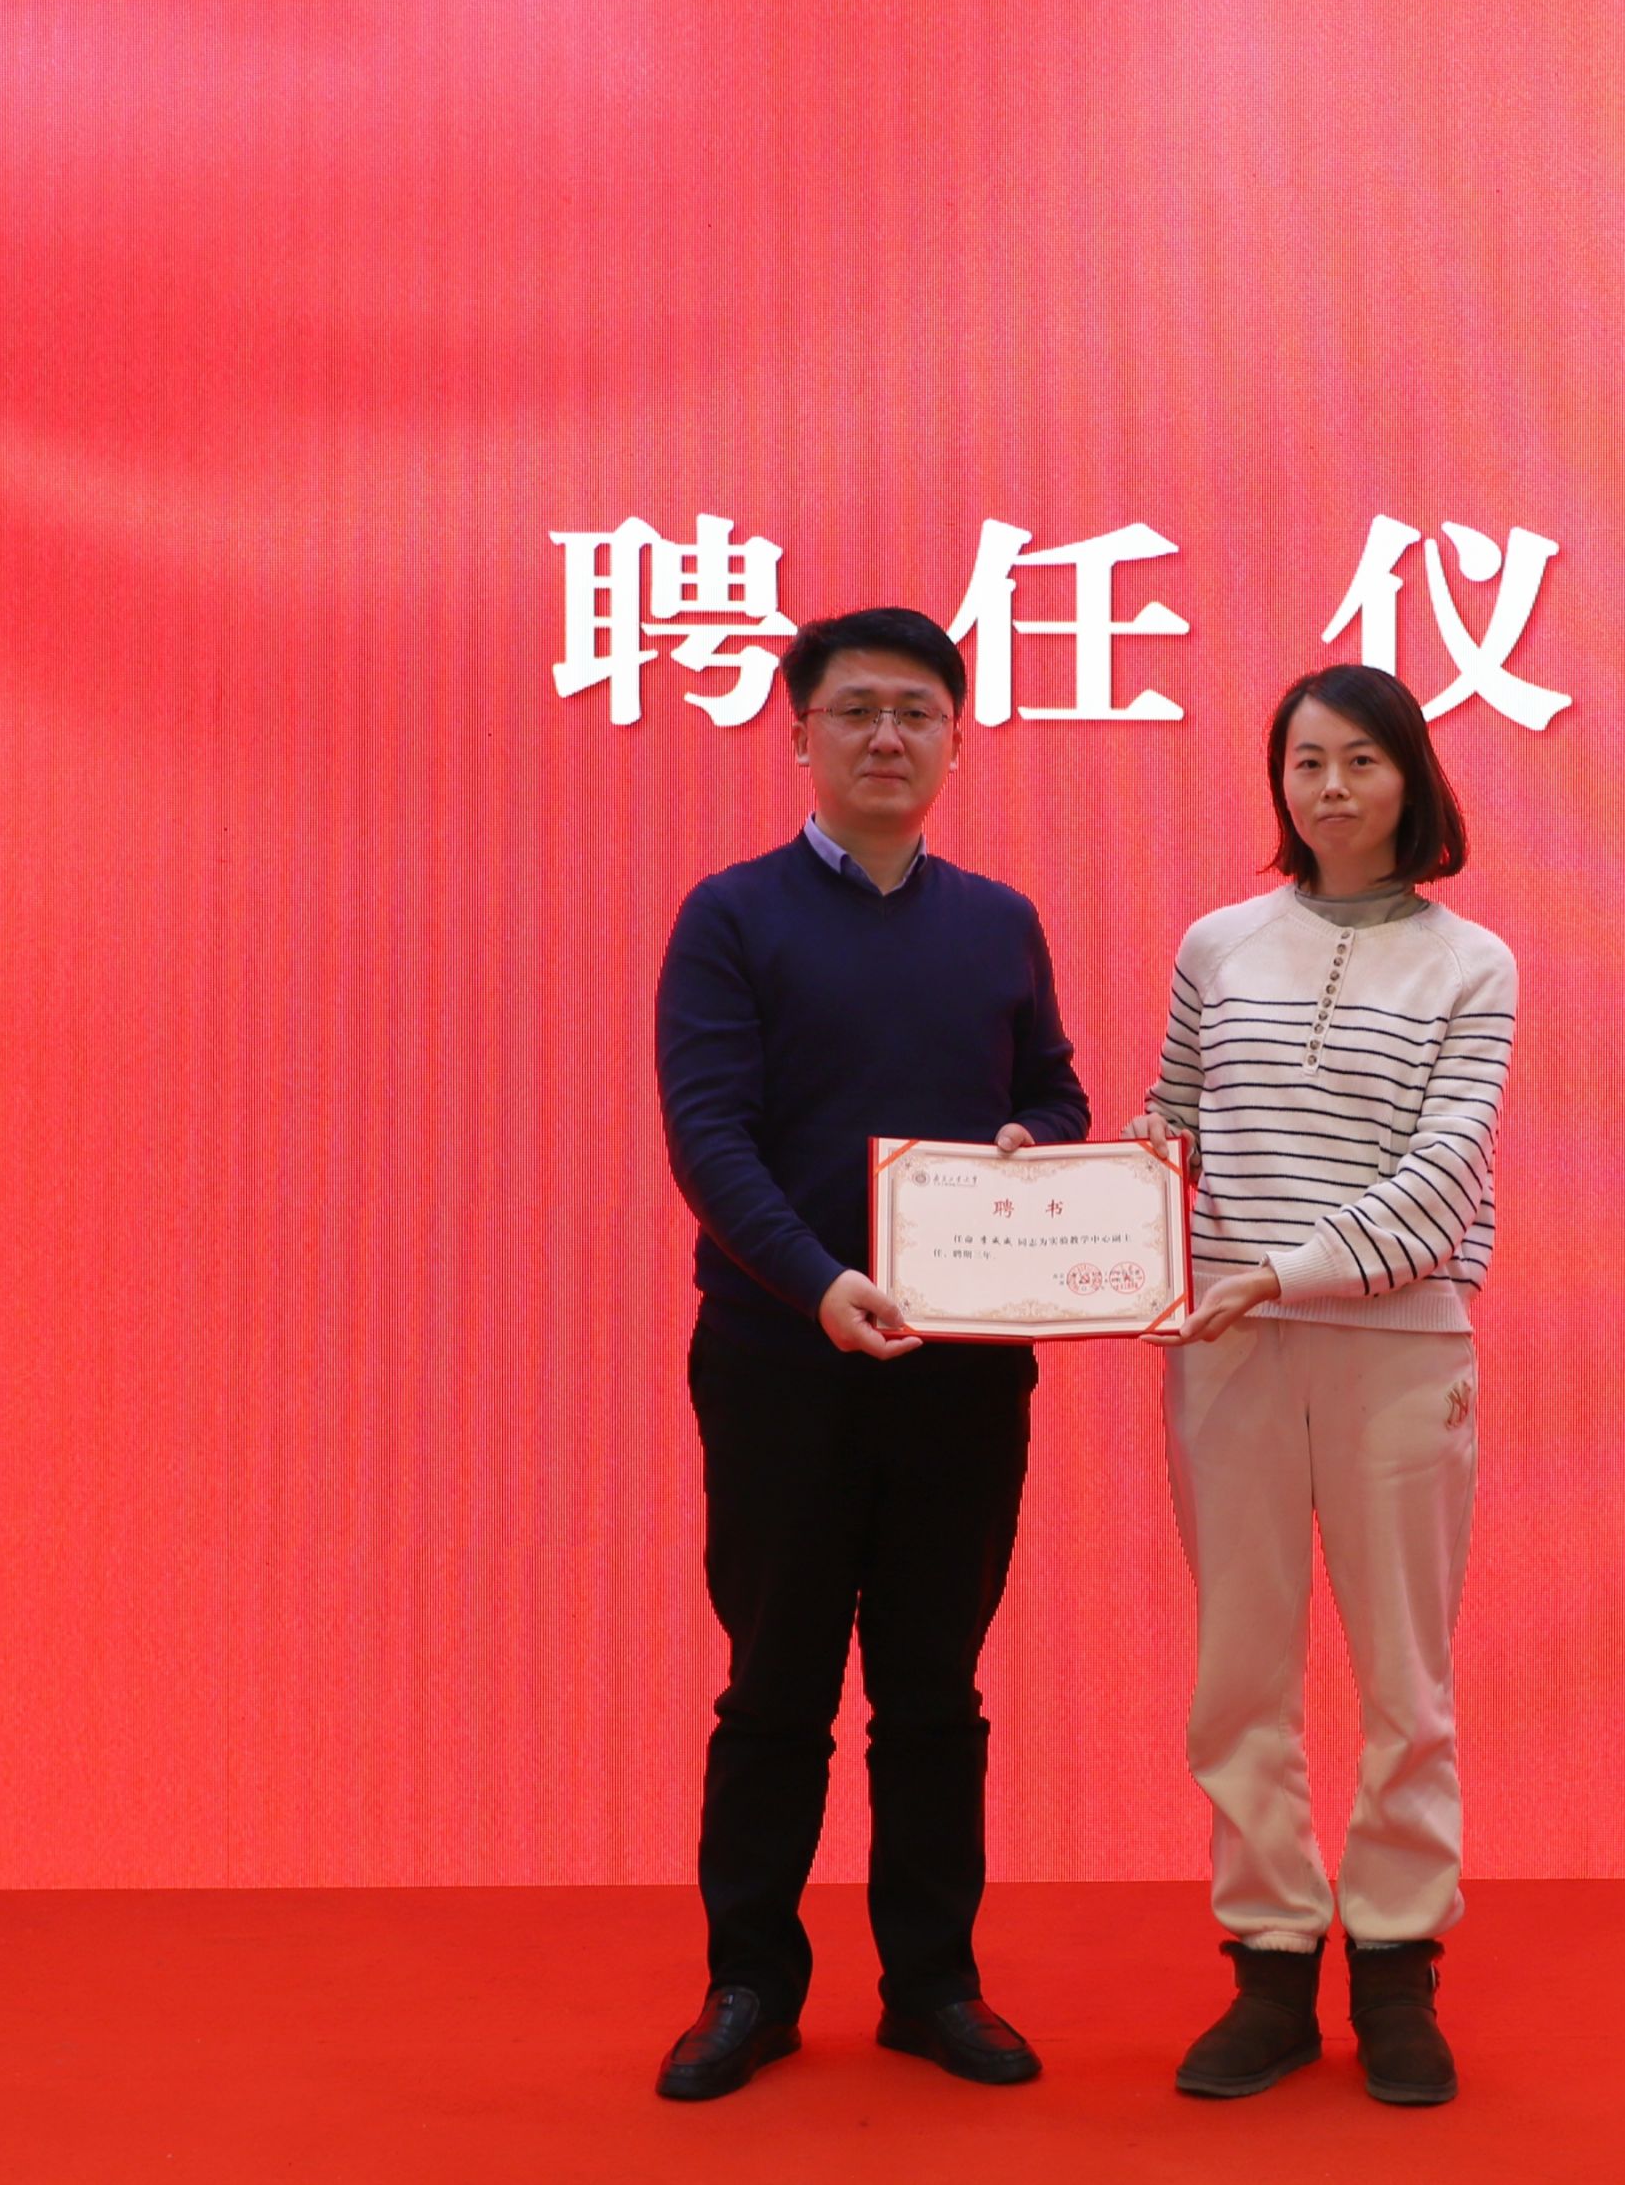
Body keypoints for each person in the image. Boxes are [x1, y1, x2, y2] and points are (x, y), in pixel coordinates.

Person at [649, 606, 1088, 2101]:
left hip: (963, 1365)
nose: (887, 736)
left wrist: (1035, 1142)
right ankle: (750, 1984)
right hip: (781, 1358)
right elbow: (709, 1137)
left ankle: (935, 1985)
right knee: (774, 1683)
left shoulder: (1000, 921)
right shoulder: (731, 915)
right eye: (856, 711)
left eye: (917, 711)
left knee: (935, 1691)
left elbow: (1057, 1093)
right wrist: (820, 1281)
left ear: (959, 739)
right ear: (801, 737)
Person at [1125, 662, 1517, 2107]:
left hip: (1399, 1348)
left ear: (1411, 777)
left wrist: (1279, 1270)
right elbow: (1171, 1125)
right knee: (1240, 1670)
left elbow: (1447, 1170)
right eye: (1305, 762)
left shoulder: (1473, 963)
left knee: (1406, 1675)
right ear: (1278, 782)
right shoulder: (1218, 944)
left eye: (1361, 759)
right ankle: (1272, 1963)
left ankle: (1400, 1963)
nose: (1332, 787)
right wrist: (1074, 1202)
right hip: (1226, 1351)